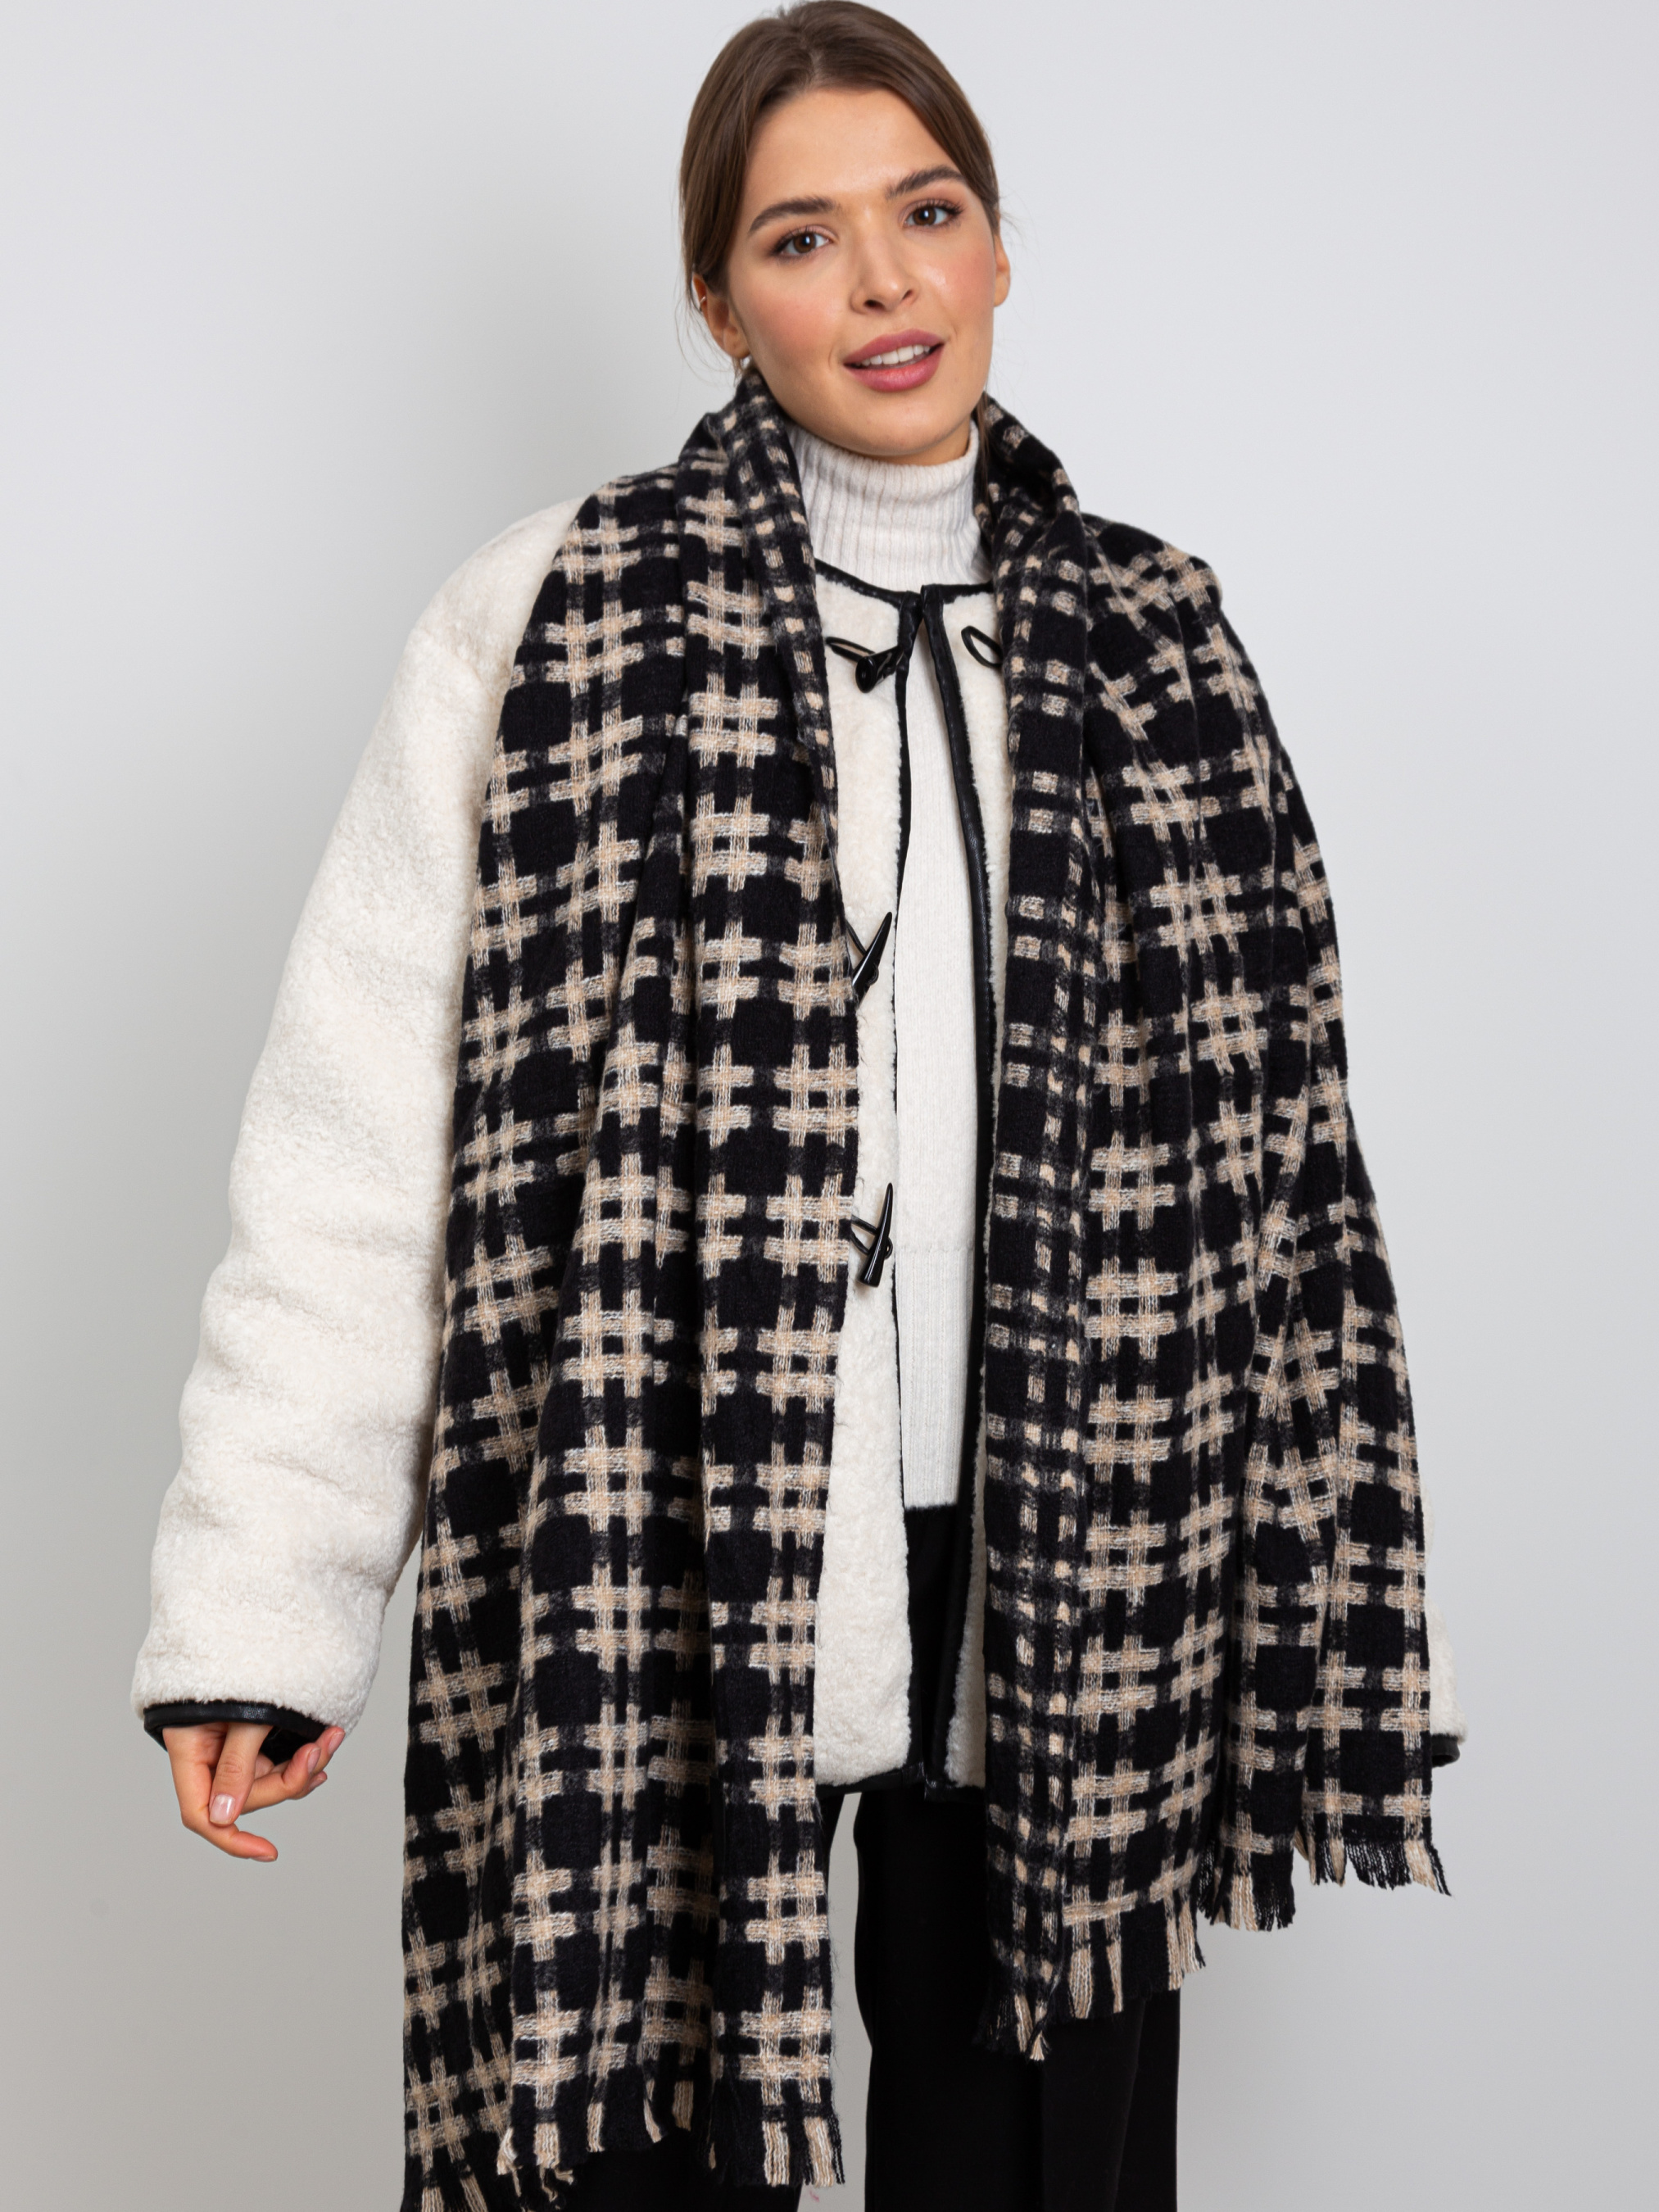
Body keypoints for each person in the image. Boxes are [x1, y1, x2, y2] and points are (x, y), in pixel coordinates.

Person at [133, 7, 1467, 2208]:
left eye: (925, 211)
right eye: (800, 235)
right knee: (636, 2122)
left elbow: (1294, 1175)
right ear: (715, 295)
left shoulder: (1160, 639)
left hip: (1085, 1525)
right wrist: (264, 1611)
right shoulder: (553, 616)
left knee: (1037, 2150)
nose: (882, 280)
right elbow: (358, 1149)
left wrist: (1303, 1557)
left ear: (999, 248)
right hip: (670, 1507)